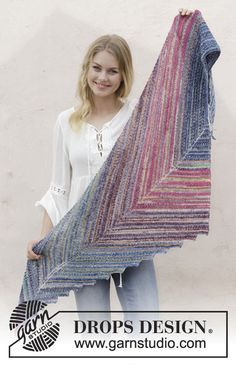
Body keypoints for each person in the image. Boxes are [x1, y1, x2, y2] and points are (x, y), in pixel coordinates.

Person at [26, 8, 193, 335]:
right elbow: (59, 187)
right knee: (93, 330)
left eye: (112, 71)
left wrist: (184, 35)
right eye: (97, 68)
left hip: (130, 236)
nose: (103, 77)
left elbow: (177, 99)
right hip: (83, 241)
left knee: (145, 325)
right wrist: (44, 236)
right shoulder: (66, 121)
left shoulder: (139, 116)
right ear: (87, 68)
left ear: (123, 75)